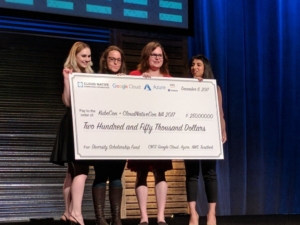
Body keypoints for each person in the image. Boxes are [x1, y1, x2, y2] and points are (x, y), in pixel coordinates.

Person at [127, 41, 173, 225]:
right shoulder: (134, 75)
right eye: (154, 55)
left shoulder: (169, 79)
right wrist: (139, 84)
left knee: (161, 173)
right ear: (146, 56)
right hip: (140, 132)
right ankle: (144, 217)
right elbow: (127, 101)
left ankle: (161, 217)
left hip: (160, 132)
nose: (157, 58)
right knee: (141, 173)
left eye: (160, 55)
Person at [50, 41, 94, 225]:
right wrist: (67, 81)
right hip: (73, 124)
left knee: (71, 172)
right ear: (75, 56)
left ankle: (68, 212)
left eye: (89, 56)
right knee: (80, 170)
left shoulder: (90, 75)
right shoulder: (70, 73)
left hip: (85, 123)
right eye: (83, 55)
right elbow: (67, 102)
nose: (87, 59)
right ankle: (76, 213)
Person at [184, 54, 227, 225]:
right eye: (192, 64)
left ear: (205, 67)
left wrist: (223, 130)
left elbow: (220, 113)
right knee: (192, 174)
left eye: (198, 64)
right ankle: (193, 213)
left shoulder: (213, 87)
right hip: (189, 134)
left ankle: (211, 214)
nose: (194, 67)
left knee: (210, 173)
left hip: (208, 135)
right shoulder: (185, 86)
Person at [92, 45, 127, 225]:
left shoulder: (127, 82)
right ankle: (100, 218)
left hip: (120, 136)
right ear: (105, 61)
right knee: (100, 175)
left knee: (116, 176)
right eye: (112, 59)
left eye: (118, 60)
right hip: (101, 134)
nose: (115, 62)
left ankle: (116, 218)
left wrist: (124, 85)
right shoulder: (96, 80)